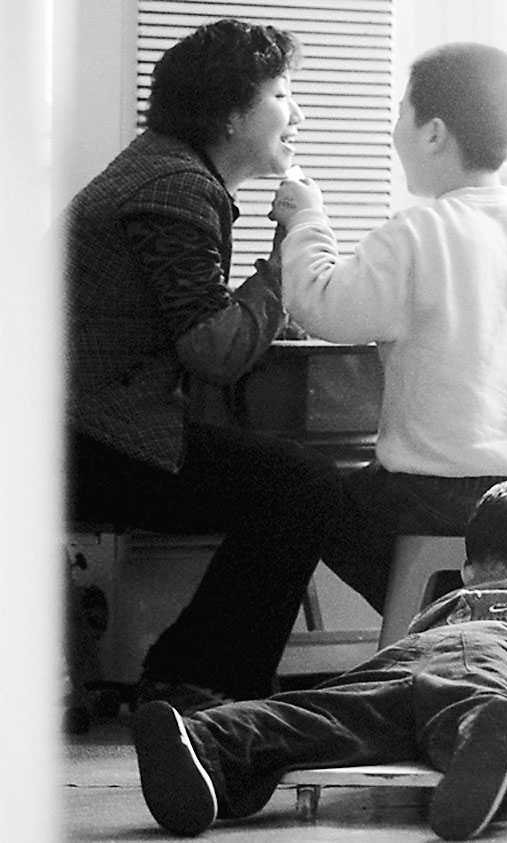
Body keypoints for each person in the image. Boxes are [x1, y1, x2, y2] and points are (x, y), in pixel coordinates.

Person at [63, 19, 342, 713]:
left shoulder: (161, 170)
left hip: (76, 430)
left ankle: (194, 674)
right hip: (83, 442)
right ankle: (197, 680)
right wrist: (290, 251)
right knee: (301, 482)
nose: (299, 115)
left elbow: (195, 321)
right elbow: (215, 349)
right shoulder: (176, 188)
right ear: (229, 114)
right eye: (282, 95)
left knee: (286, 476)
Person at [270, 42, 507, 613]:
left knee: (312, 498)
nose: (394, 131)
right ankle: (480, 614)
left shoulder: (416, 233)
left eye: (401, 114)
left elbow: (322, 304)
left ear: (434, 133)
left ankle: (432, 616)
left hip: (442, 496)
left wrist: (307, 219)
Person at [131, 479, 507, 840]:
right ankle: (497, 735)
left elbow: (416, 657)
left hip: (412, 657)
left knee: (328, 712)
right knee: (499, 705)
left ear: (467, 570)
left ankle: (210, 739)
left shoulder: (446, 604)